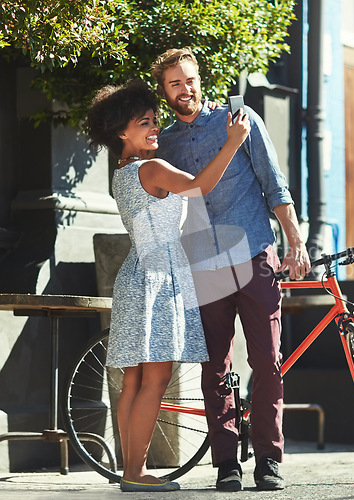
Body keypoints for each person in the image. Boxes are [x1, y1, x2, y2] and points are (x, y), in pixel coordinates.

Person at [151, 48, 311, 492]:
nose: (186, 89)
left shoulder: (239, 121)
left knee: (267, 360)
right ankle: (226, 463)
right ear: (165, 92)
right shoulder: (163, 143)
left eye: (190, 79)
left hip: (254, 255)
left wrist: (294, 241)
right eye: (175, 83)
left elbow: (274, 183)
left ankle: (268, 460)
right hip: (203, 263)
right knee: (215, 367)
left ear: (201, 78)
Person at [86, 79, 250, 493]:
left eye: (155, 120)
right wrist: (232, 141)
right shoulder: (152, 169)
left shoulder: (121, 174)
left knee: (134, 382)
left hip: (136, 274)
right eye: (145, 122)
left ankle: (130, 472)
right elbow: (201, 186)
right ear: (123, 132)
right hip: (159, 277)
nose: (155, 127)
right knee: (155, 381)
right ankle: (136, 474)